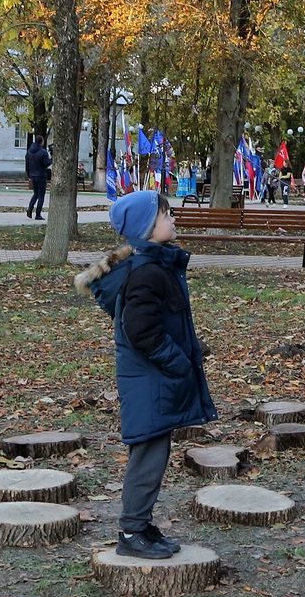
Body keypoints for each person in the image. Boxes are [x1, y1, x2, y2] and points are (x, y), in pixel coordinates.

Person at [74, 190, 215, 561]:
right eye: (166, 215)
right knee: (149, 456)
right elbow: (141, 332)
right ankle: (131, 530)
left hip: (152, 378)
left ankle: (140, 525)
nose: (173, 220)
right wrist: (178, 363)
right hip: (151, 378)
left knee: (154, 450)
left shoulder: (153, 265)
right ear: (147, 227)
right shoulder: (147, 273)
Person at [24, 133, 51, 220]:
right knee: (41, 195)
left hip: (33, 175)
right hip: (41, 176)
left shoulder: (29, 152)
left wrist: (29, 175)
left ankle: (30, 209)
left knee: (35, 194)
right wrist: (52, 160)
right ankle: (38, 214)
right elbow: (46, 163)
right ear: (41, 142)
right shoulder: (43, 152)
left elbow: (27, 165)